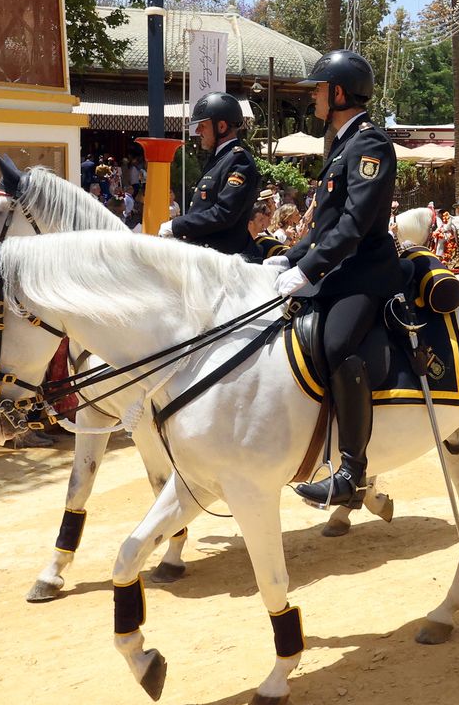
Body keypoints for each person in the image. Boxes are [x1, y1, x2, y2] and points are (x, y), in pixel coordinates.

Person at [274, 50, 402, 509]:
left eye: (319, 88)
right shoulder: (341, 143)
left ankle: (352, 472)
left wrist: (307, 270)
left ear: (339, 92)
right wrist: (287, 258)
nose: (313, 95)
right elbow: (325, 227)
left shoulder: (370, 144)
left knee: (337, 345)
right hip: (337, 270)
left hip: (365, 273)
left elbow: (354, 225)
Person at [161, 91, 263, 259]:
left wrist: (178, 225)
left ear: (221, 127)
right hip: (207, 256)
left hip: (225, 261)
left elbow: (224, 213)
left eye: (203, 125)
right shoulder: (219, 159)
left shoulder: (239, 160)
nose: (198, 130)